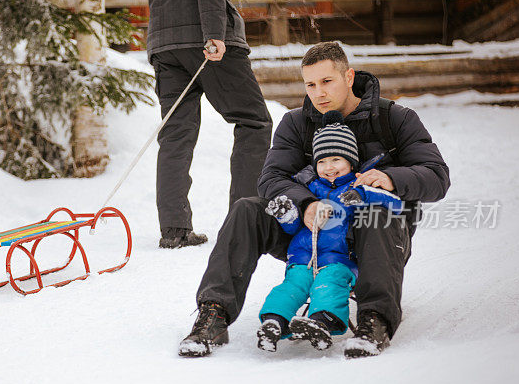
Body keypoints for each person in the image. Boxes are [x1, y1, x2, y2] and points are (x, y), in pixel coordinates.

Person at [178, 41, 450, 358]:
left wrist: (390, 179)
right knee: (247, 210)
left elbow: (436, 176)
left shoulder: (395, 119)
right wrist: (305, 203)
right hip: (313, 233)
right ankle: (214, 314)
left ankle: (373, 321)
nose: (318, 93)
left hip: (376, 236)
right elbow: (271, 179)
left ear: (349, 77)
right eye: (310, 84)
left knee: (376, 213)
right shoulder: (297, 123)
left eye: (326, 81)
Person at [144, 0, 272, 248]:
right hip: (206, 37)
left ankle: (174, 228)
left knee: (175, 135)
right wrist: (215, 31)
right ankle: (244, 224)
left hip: (164, 43)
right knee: (254, 122)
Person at [256, 119, 404, 353]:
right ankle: (274, 322)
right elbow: (295, 228)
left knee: (328, 286)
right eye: (322, 161)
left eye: (336, 159)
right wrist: (288, 216)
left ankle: (323, 324)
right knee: (290, 287)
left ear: (351, 161)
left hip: (339, 260)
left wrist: (363, 195)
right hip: (302, 259)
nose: (329, 167)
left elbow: (395, 205)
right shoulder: (308, 189)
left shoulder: (359, 187)